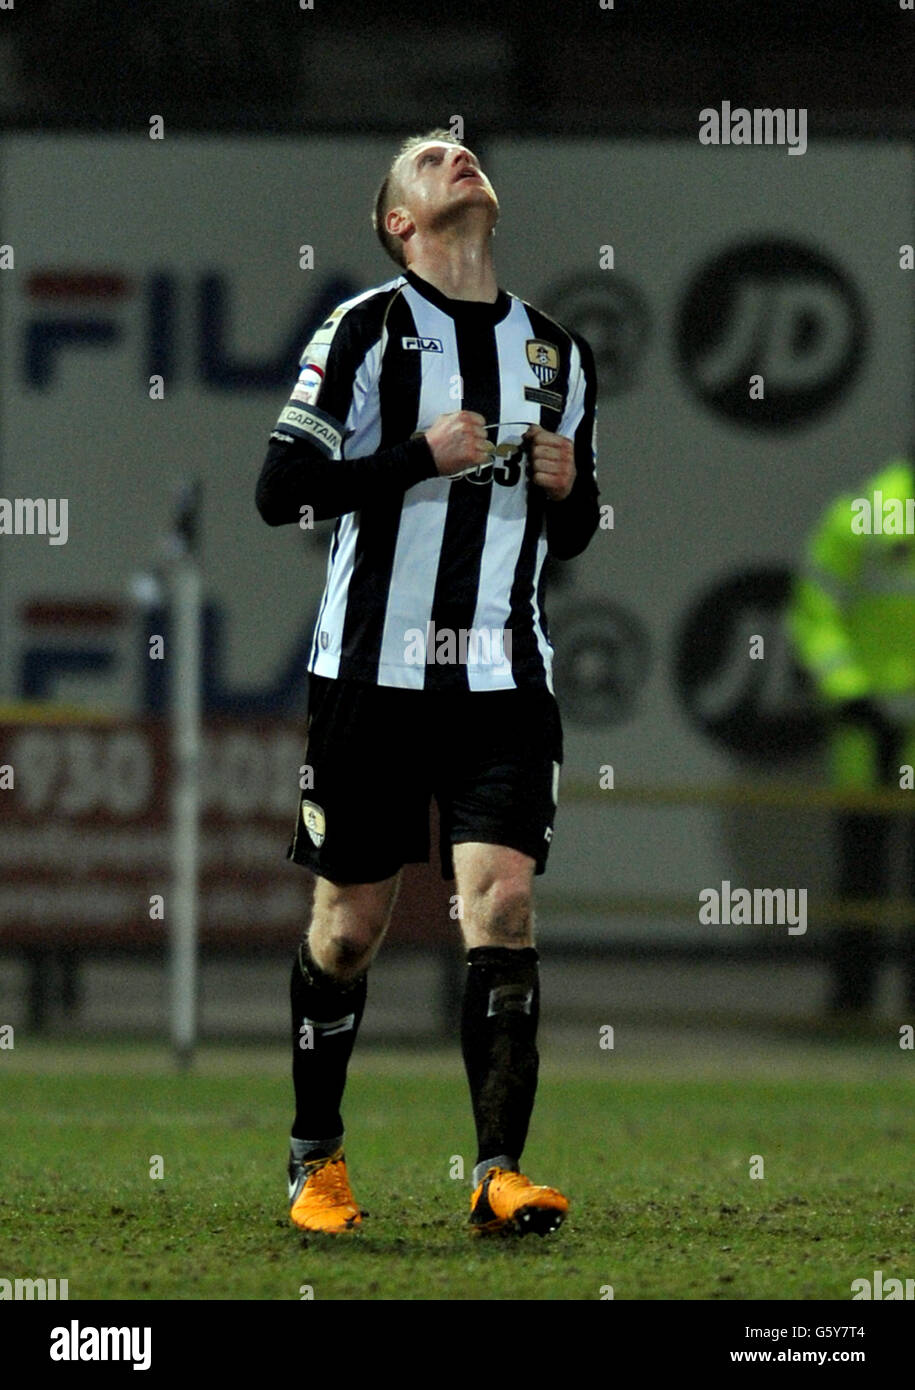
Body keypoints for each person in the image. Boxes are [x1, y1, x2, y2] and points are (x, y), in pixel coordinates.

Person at [255, 128, 600, 1236]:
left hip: (503, 679)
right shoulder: (364, 331)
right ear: (399, 223)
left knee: (500, 901)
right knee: (350, 929)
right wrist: (418, 456)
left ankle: (499, 1172)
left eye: (461, 150)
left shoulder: (555, 354)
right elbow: (282, 488)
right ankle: (317, 1161)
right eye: (424, 157)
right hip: (372, 677)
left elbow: (576, 530)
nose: (454, 155)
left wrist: (570, 485)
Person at [787, 457, 915, 1016]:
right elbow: (816, 611)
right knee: (862, 868)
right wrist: (849, 690)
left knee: (864, 868)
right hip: (867, 725)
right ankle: (852, 998)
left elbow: (815, 612)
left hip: (873, 717)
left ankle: (854, 1001)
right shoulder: (864, 515)